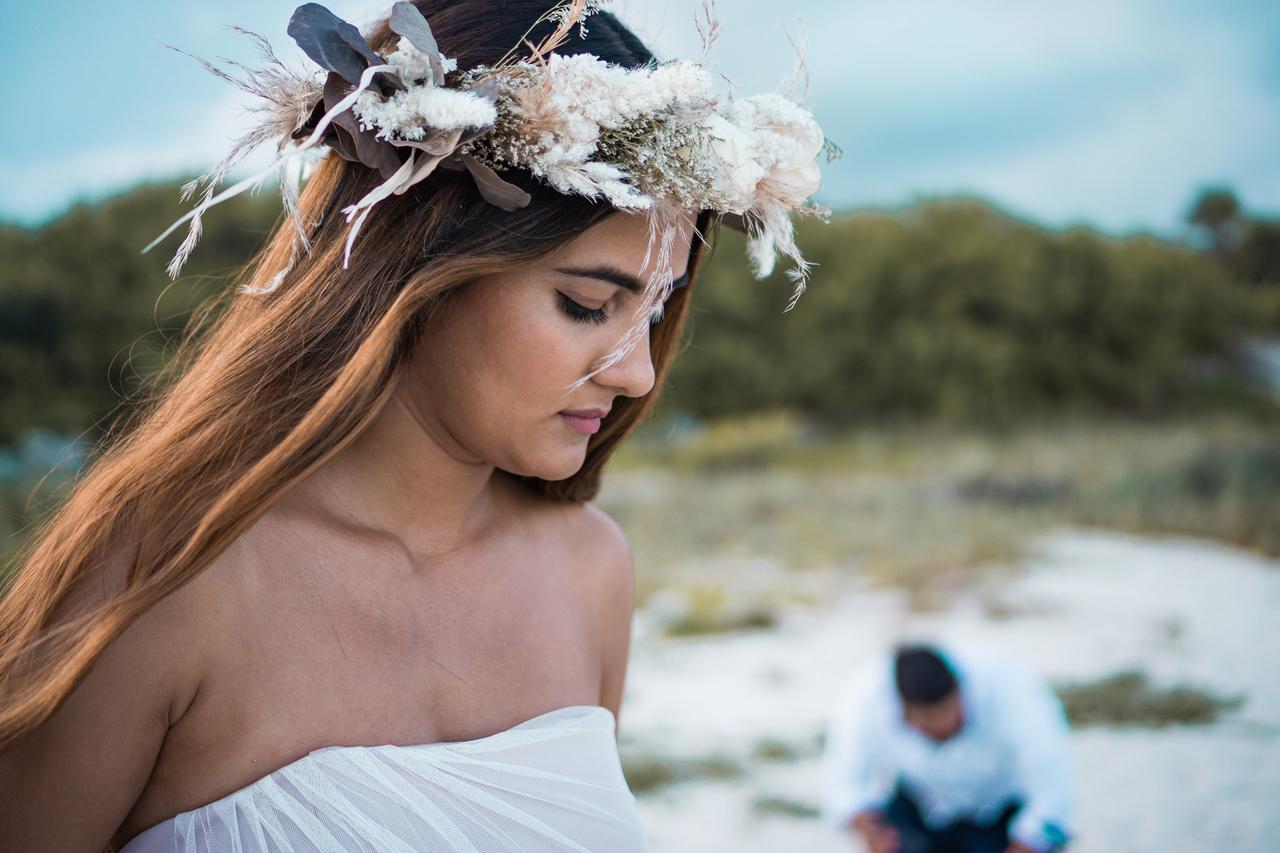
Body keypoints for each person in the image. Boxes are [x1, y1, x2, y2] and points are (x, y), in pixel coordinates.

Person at [0, 1, 831, 851]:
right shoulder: (164, 577)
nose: (638, 372)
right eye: (586, 305)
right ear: (420, 260)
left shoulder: (589, 571)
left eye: (654, 312)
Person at [822, 643, 1074, 853]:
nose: (944, 726)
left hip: (1005, 808)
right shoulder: (862, 699)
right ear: (904, 712)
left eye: (951, 714)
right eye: (929, 722)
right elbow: (845, 782)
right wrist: (866, 826)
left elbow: (1052, 790)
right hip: (920, 803)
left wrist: (1027, 844)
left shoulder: (1013, 690)